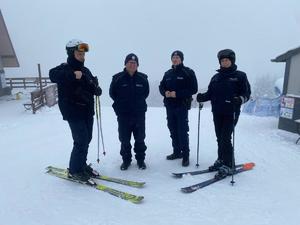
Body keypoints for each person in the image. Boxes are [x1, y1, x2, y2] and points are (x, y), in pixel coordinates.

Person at [49, 39, 102, 182]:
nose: (82, 57)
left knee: (87, 139)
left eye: (83, 54)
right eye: (79, 54)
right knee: (81, 140)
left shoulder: (86, 70)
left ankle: (81, 165)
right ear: (71, 53)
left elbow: (91, 86)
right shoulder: (64, 68)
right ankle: (74, 170)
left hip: (87, 111)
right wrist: (72, 75)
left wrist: (96, 89)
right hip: (73, 111)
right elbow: (52, 75)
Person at [197, 49, 251, 178]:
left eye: (227, 60)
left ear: (232, 61)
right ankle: (221, 159)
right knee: (219, 138)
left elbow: (247, 94)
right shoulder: (216, 77)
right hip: (217, 112)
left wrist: (239, 100)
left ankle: (229, 164)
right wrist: (202, 97)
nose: (224, 62)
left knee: (225, 138)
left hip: (231, 112)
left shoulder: (240, 76)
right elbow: (210, 93)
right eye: (222, 60)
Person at [109, 53, 149, 170]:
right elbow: (112, 94)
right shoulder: (117, 78)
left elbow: (145, 93)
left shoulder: (143, 78)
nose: (132, 65)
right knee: (124, 139)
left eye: (134, 63)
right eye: (130, 63)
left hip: (139, 114)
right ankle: (126, 160)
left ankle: (141, 160)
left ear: (137, 65)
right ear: (125, 64)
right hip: (124, 115)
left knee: (140, 138)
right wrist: (120, 106)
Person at [159, 50, 198, 167]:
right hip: (170, 106)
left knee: (182, 130)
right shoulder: (168, 73)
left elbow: (193, 89)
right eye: (173, 57)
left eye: (177, 57)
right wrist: (165, 92)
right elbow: (161, 86)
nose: (175, 59)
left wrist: (177, 94)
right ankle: (177, 152)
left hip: (182, 106)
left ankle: (185, 155)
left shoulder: (188, 72)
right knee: (172, 129)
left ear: (181, 59)